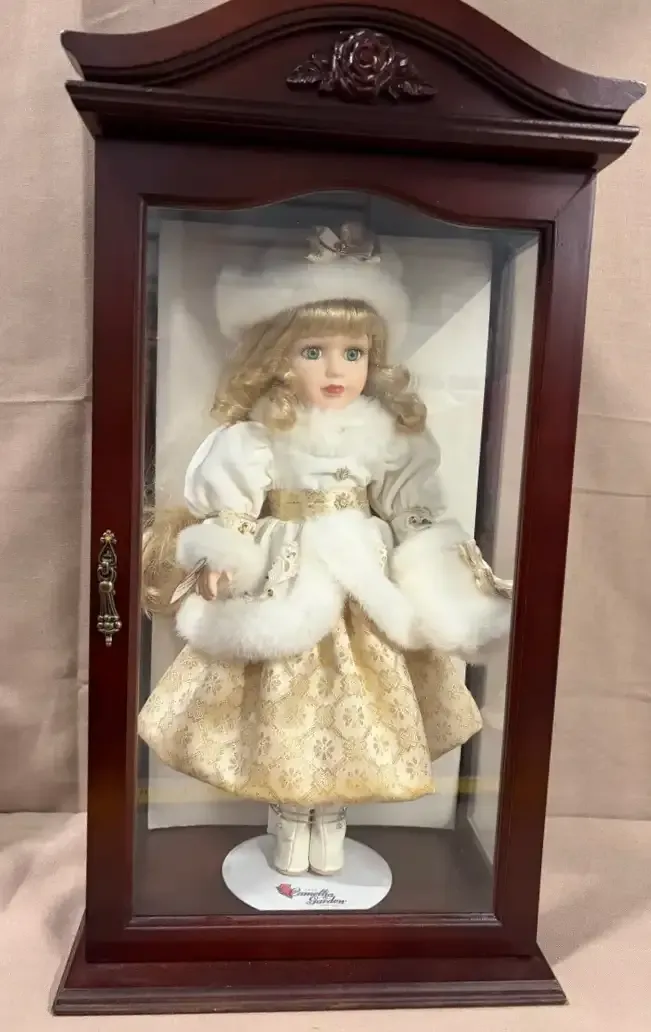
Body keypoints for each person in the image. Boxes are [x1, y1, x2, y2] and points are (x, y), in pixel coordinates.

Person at [138, 223, 511, 878]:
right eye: (313, 351)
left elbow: (413, 507)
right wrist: (221, 554)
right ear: (280, 357)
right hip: (284, 575)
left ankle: (332, 816)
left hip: (365, 579)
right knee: (282, 701)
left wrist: (443, 565)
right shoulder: (257, 434)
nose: (336, 370)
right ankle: (289, 816)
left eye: (353, 352)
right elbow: (232, 509)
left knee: (366, 700)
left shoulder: (389, 433)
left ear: (374, 359)